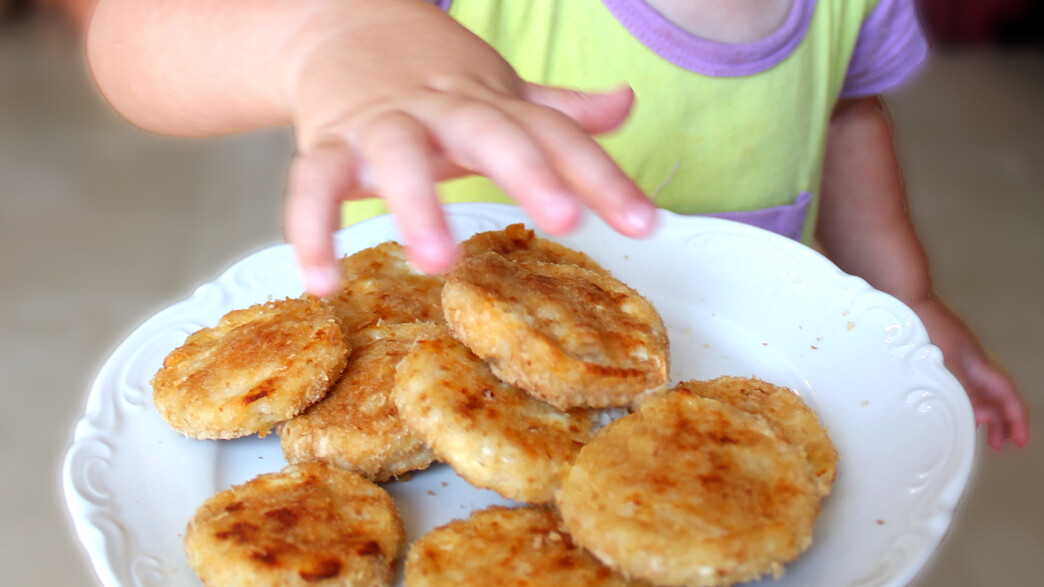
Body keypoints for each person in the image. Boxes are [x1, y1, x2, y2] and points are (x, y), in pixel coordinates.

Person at [84, 0, 1028, 449]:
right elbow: (133, 40)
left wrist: (907, 298)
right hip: (424, 402)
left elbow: (847, 114)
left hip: (693, 418)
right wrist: (327, 37)